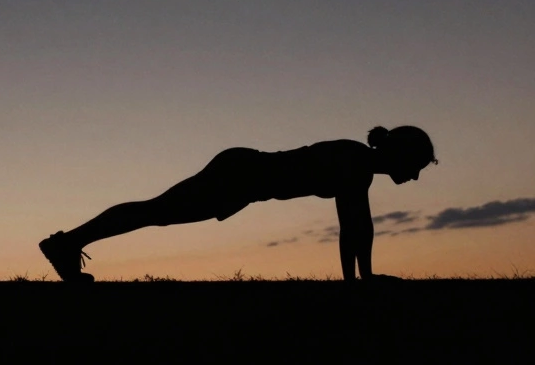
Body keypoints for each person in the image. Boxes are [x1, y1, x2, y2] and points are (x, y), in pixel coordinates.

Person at [39, 125, 437, 283]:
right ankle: (66, 242)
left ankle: (68, 242)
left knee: (154, 213)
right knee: (154, 212)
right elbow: (355, 226)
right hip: (242, 174)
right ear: (400, 154)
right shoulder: (355, 162)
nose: (415, 177)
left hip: (243, 175)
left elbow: (354, 225)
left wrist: (360, 281)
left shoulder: (357, 163)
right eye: (416, 166)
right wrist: (362, 282)